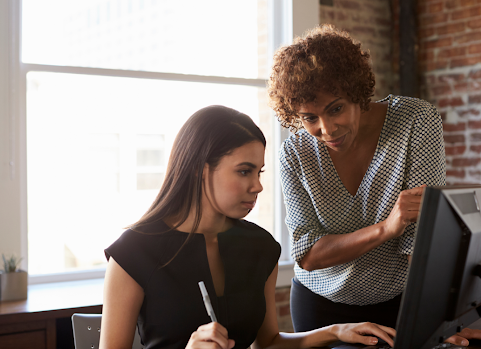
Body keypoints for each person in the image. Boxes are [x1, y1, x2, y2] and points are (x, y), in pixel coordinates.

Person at [99, 105, 396, 349]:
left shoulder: (261, 247)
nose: (257, 186)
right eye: (244, 171)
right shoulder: (133, 253)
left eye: (258, 172)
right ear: (200, 170)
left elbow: (267, 343)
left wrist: (336, 331)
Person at [267, 24, 479, 346]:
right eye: (310, 118)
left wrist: (441, 322)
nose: (326, 129)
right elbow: (307, 252)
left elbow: (420, 240)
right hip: (321, 307)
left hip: (401, 301)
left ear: (357, 92)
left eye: (335, 108)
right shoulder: (294, 154)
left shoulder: (415, 121)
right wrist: (385, 228)